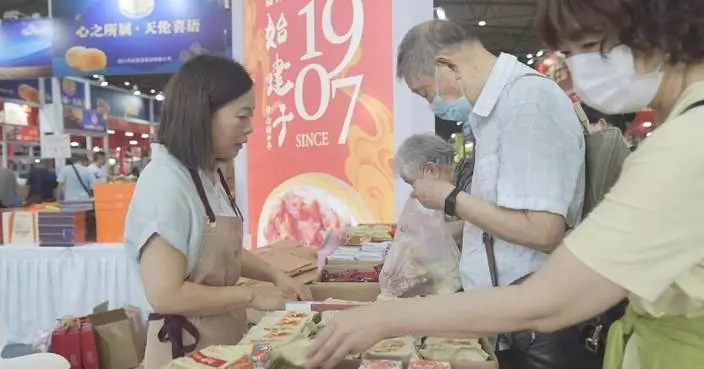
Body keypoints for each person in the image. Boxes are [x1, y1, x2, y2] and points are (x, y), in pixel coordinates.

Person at [305, 0, 704, 368]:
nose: (578, 69)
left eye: (587, 46)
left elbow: (549, 294)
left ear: (658, 30)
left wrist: (387, 316)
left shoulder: (682, 146)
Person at [396, 19, 587, 368]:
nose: (432, 105)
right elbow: (504, 215)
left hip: (536, 329)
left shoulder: (527, 103)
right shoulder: (497, 112)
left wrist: (450, 198)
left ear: (447, 66)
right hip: (513, 320)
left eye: (426, 93)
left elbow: (543, 231)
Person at [122, 55, 313, 369]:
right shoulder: (165, 184)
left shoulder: (209, 175)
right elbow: (166, 295)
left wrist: (274, 274)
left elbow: (225, 250)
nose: (250, 128)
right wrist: (251, 297)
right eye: (242, 116)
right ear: (203, 114)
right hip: (184, 351)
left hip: (223, 339)